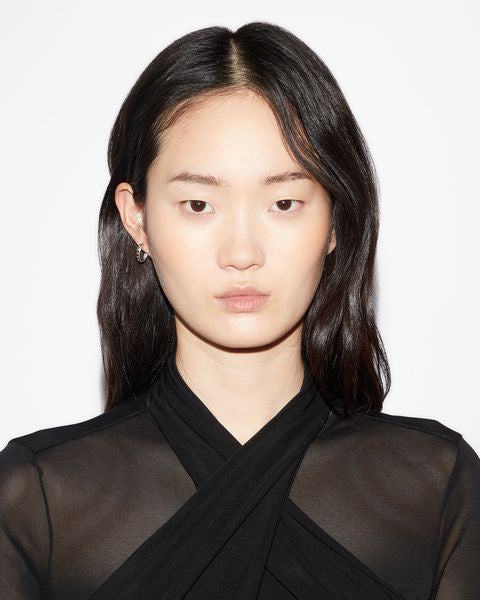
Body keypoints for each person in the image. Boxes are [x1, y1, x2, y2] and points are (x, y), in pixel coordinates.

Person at [0, 21, 479, 600]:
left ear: (335, 220)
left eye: (285, 202)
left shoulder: (434, 485)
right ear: (137, 219)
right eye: (198, 204)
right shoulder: (41, 497)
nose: (242, 252)